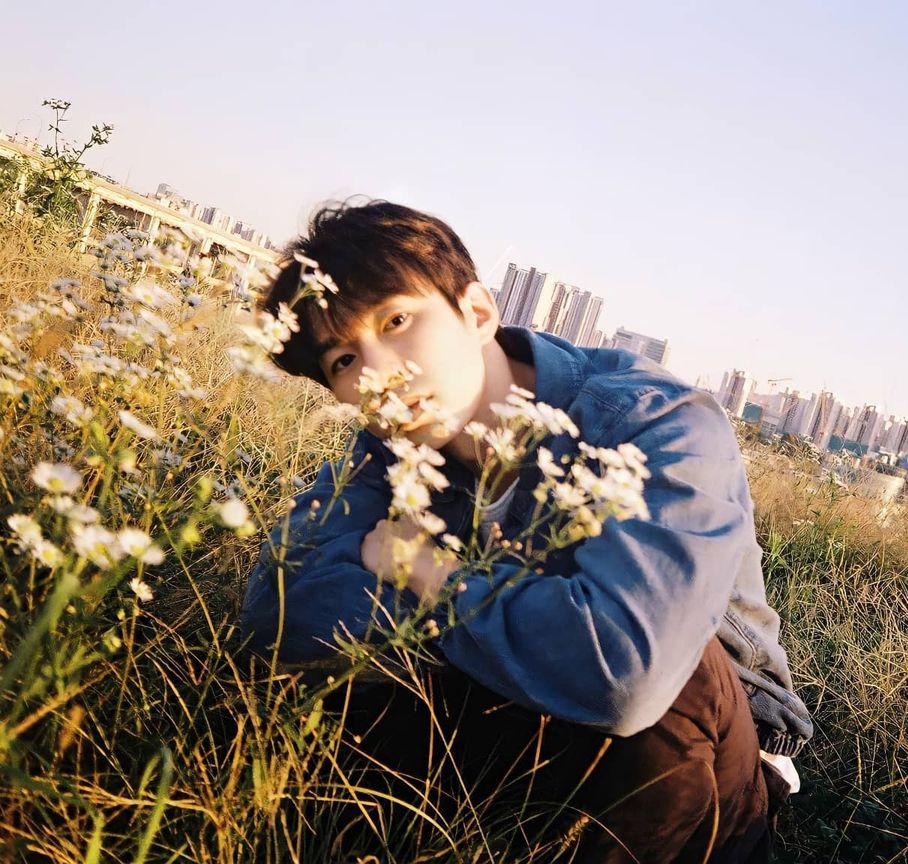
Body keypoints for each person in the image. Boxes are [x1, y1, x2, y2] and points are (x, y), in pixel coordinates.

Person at [239, 200, 812, 861]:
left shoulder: (655, 423)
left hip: (703, 748)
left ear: (478, 313)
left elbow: (623, 676)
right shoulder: (392, 446)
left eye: (396, 321)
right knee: (302, 698)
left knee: (664, 679)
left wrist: (429, 574)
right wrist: (539, 623)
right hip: (512, 703)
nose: (377, 376)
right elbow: (278, 612)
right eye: (343, 359)